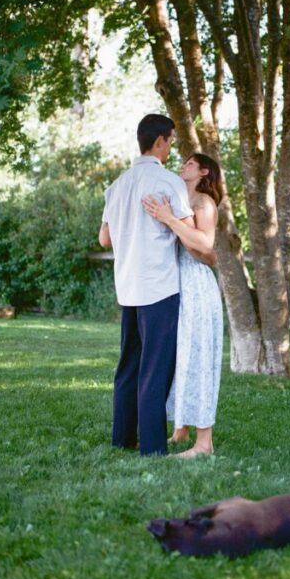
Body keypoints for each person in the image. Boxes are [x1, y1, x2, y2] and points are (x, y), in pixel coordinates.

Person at [99, 114, 195, 456]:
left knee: (128, 366)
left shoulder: (117, 185)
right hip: (159, 287)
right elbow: (189, 235)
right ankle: (153, 448)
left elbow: (104, 239)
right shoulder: (168, 183)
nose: (171, 147)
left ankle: (122, 438)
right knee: (155, 369)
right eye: (170, 141)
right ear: (159, 141)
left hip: (128, 288)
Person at [142, 153, 224, 459]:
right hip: (176, 283)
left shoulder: (204, 202)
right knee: (179, 355)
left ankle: (204, 443)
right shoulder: (178, 197)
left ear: (203, 171)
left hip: (198, 284)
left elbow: (205, 245)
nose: (183, 165)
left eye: (190, 163)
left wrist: (168, 218)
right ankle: (181, 429)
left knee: (198, 356)